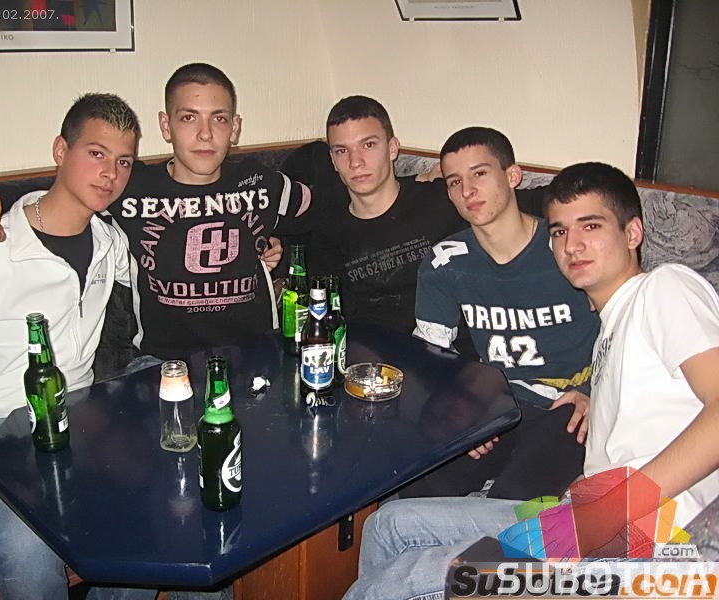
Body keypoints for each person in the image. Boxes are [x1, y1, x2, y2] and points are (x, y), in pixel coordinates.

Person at [341, 161, 719, 600]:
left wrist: (610, 510)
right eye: (559, 231)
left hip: (639, 542)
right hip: (581, 516)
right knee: (388, 525)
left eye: (590, 226)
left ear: (632, 233)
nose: (572, 245)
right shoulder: (610, 331)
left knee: (392, 586)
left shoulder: (664, 288)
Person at [0, 93, 155, 600]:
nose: (110, 173)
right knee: (26, 553)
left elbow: (138, 325)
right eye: (96, 153)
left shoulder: (112, 245)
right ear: (60, 150)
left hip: (78, 414)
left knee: (146, 528)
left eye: (123, 162)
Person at [0, 63, 302, 363]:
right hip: (162, 364)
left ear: (235, 128)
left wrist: (278, 249)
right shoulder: (128, 182)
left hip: (257, 354)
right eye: (188, 118)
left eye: (219, 119)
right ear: (165, 126)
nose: (205, 134)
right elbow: (68, 194)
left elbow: (318, 209)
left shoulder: (261, 182)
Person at [404, 127, 599, 500]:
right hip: (496, 402)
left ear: (513, 176)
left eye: (479, 173)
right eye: (454, 182)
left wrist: (594, 394)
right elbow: (431, 355)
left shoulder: (566, 247)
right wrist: (458, 409)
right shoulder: (445, 262)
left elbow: (623, 327)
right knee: (415, 488)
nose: (467, 191)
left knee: (511, 504)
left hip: (566, 405)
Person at [302, 96, 545, 339]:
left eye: (368, 145)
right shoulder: (327, 231)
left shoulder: (444, 197)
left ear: (392, 148)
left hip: (450, 352)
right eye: (342, 151)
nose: (355, 162)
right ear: (333, 160)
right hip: (370, 355)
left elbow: (523, 201)